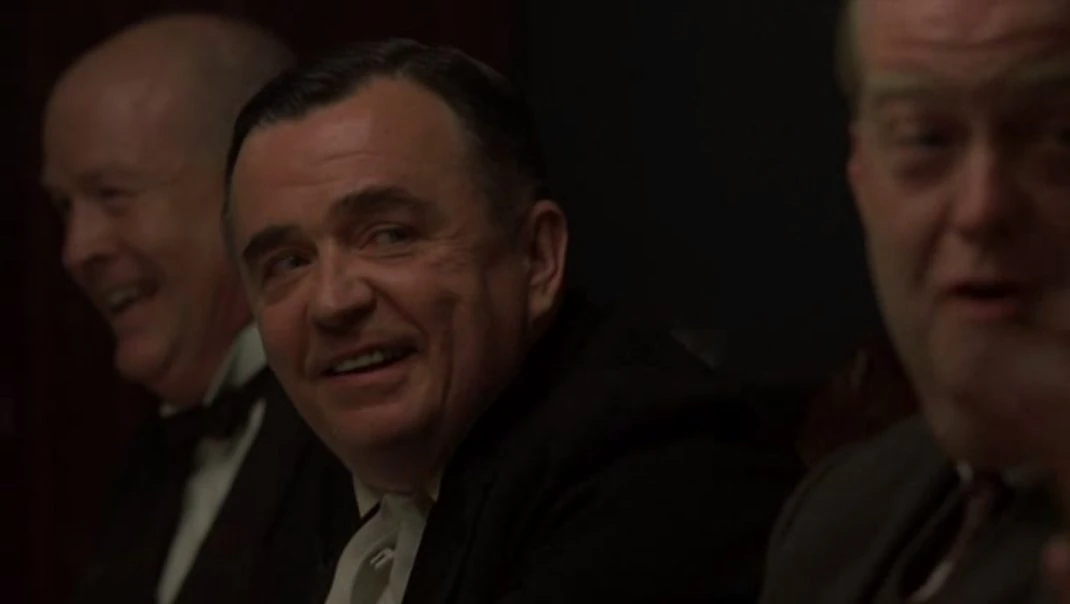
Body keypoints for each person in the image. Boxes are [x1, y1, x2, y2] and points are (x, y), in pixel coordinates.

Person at [224, 38, 803, 604]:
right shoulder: (299, 481)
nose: (332, 301)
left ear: (537, 258)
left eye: (390, 235)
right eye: (288, 263)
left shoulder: (661, 466)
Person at [760, 0, 1070, 602]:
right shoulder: (837, 515)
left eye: (1062, 135)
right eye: (925, 138)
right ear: (861, 174)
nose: (981, 207)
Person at [40, 14, 355, 604]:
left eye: (112, 194)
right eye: (64, 206)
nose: (76, 250)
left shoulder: (371, 432)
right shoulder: (141, 467)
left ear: (250, 183)